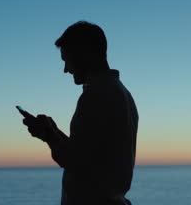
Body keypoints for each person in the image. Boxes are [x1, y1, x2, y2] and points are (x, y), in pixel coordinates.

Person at [21, 21, 139, 205]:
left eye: (67, 59)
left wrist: (48, 136)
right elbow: (89, 154)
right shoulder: (120, 93)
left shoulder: (97, 96)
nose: (66, 69)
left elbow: (75, 160)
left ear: (86, 53)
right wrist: (54, 131)